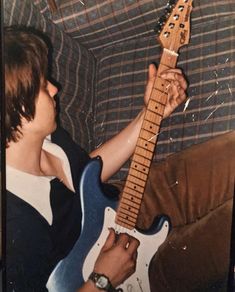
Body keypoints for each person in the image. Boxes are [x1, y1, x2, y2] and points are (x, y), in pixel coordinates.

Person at [5, 26, 187, 291]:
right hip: (125, 275)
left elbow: (88, 176)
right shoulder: (13, 225)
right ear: (19, 110)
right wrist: (102, 279)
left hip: (118, 210)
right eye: (43, 86)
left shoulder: (47, 139)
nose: (55, 89)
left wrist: (150, 114)